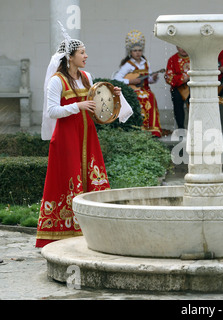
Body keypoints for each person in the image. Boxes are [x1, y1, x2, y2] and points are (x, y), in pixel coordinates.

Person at [37, 22, 132, 248]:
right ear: (70, 57)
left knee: (92, 177)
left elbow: (99, 100)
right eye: (82, 52)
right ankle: (62, 234)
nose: (86, 56)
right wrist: (77, 106)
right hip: (66, 138)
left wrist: (113, 95)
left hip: (88, 137)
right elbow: (51, 111)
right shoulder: (56, 81)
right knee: (68, 181)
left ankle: (94, 229)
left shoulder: (87, 77)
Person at [114, 30, 162, 137]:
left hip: (145, 89)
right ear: (130, 52)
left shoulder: (146, 63)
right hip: (133, 90)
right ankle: (138, 127)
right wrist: (130, 81)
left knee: (150, 96)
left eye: (140, 50)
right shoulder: (128, 64)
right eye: (135, 50)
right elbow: (116, 78)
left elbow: (148, 80)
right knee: (140, 97)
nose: (137, 53)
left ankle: (151, 128)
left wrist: (153, 78)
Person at [165, 46, 190, 129]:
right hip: (179, 87)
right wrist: (183, 78)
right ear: (177, 47)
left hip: (194, 87)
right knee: (176, 98)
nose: (183, 48)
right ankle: (181, 128)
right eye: (180, 46)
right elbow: (168, 78)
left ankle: (197, 128)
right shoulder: (172, 59)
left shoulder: (195, 57)